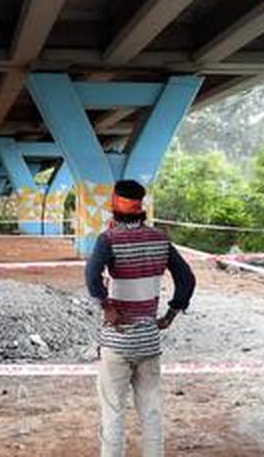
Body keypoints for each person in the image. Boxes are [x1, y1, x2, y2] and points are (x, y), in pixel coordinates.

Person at [85, 179, 196, 457]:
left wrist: (106, 305)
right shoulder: (160, 239)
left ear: (115, 207)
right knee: (151, 410)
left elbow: (91, 275)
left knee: (113, 412)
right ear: (140, 207)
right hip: (149, 341)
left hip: (118, 341)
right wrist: (171, 312)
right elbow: (187, 279)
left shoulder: (108, 239)